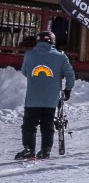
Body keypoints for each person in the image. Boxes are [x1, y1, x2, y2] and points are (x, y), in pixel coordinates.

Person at [17, 30, 75, 160]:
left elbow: (25, 72)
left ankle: (29, 150)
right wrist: (67, 90)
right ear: (53, 42)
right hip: (51, 99)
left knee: (29, 125)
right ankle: (45, 151)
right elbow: (70, 75)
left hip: (33, 98)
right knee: (47, 124)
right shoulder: (61, 57)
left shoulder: (29, 55)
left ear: (38, 41)